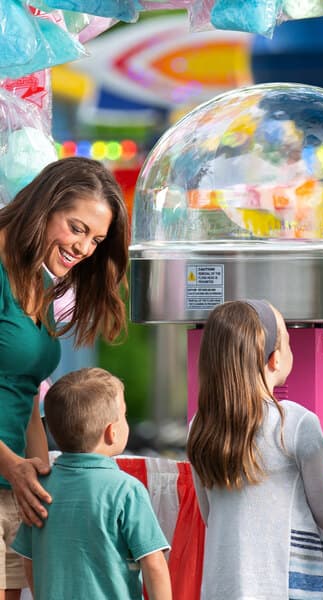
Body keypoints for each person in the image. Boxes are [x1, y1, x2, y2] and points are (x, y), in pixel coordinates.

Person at [0, 156, 129, 598]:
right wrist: (13, 467)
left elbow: (28, 399)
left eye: (96, 239)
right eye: (77, 228)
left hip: (12, 486)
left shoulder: (41, 283)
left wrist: (44, 485)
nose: (84, 249)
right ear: (43, 208)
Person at [187, 299, 323, 599]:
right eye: (288, 341)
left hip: (223, 588)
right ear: (275, 359)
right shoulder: (295, 422)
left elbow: (210, 515)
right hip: (286, 588)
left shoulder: (199, 426)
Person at [11, 368, 172, 600]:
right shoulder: (126, 490)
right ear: (111, 432)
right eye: (124, 415)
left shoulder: (40, 488)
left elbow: (30, 558)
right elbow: (153, 563)